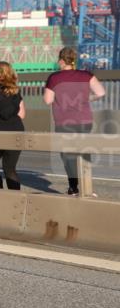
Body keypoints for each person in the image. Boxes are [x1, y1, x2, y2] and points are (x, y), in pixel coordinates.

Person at [43, 46, 106, 196]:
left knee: (68, 156)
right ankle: (87, 187)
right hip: (84, 120)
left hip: (64, 122)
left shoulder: (54, 77)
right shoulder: (87, 75)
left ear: (61, 60)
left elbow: (47, 100)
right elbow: (101, 92)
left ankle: (73, 187)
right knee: (83, 153)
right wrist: (87, 98)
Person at [0, 62, 26, 191]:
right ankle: (15, 198)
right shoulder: (16, 92)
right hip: (16, 132)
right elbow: (22, 114)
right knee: (10, 168)